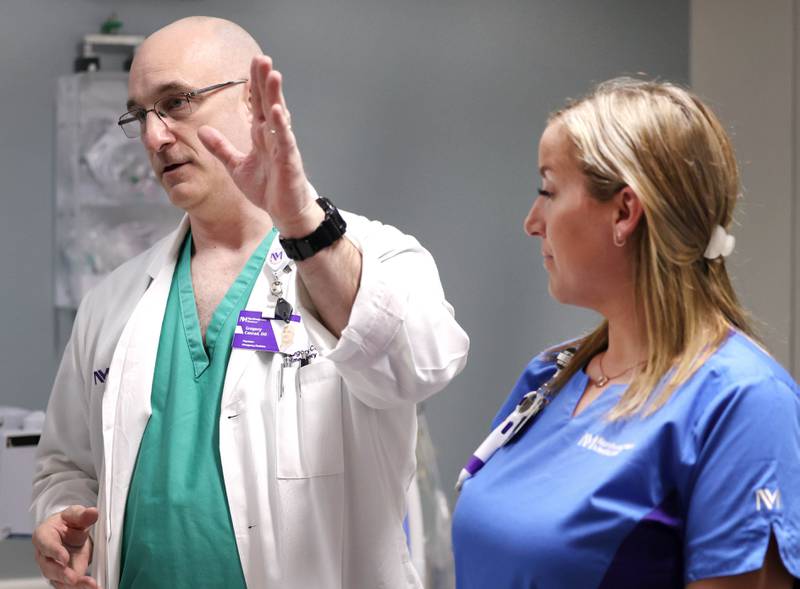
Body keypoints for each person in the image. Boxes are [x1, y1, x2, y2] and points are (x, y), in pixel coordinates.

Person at [31, 16, 469, 589]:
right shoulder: (112, 302)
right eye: (140, 115)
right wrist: (59, 516)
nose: (153, 137)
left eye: (177, 102)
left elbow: (420, 363)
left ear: (254, 102)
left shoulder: (379, 256)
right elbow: (67, 464)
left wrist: (303, 225)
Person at [451, 78, 800, 588]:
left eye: (548, 191)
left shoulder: (742, 404)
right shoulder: (551, 376)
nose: (532, 222)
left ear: (624, 212)